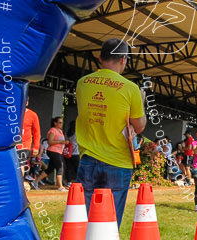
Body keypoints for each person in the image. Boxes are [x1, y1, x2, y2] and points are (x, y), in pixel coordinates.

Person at [75, 38, 146, 227]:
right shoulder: (131, 89)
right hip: (118, 162)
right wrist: (141, 101)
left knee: (83, 219)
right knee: (109, 222)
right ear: (123, 59)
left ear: (100, 58)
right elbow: (138, 126)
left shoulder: (82, 83)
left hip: (88, 158)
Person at [35, 116, 70, 191]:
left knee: (50, 169)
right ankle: (60, 186)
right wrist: (62, 142)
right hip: (53, 151)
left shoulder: (60, 131)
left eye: (62, 123)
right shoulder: (53, 130)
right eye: (59, 122)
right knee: (60, 167)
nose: (61, 124)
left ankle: (35, 181)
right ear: (55, 123)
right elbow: (50, 142)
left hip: (58, 151)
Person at [17, 107, 41, 187]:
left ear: (26, 102)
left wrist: (36, 147)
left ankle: (20, 185)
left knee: (20, 164)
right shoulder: (12, 111)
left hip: (24, 145)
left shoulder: (32, 115)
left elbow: (37, 132)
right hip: (12, 144)